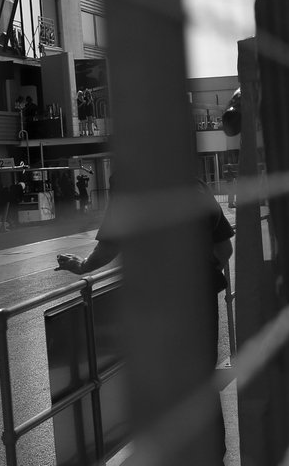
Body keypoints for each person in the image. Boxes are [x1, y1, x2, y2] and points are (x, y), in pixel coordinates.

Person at [56, 179, 234, 461]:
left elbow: (110, 244)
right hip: (201, 296)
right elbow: (225, 250)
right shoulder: (196, 184)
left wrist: (83, 266)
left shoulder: (131, 181)